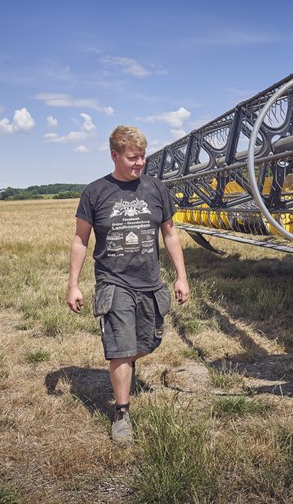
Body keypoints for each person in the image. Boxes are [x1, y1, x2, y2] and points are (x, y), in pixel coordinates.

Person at [67, 125, 189, 447]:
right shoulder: (95, 193)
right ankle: (122, 413)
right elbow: (81, 239)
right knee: (120, 349)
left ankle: (128, 361)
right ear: (114, 156)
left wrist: (181, 276)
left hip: (150, 282)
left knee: (147, 342)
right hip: (113, 280)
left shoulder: (156, 189)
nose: (140, 163)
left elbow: (170, 233)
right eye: (133, 158)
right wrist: (74, 284)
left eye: (143, 157)